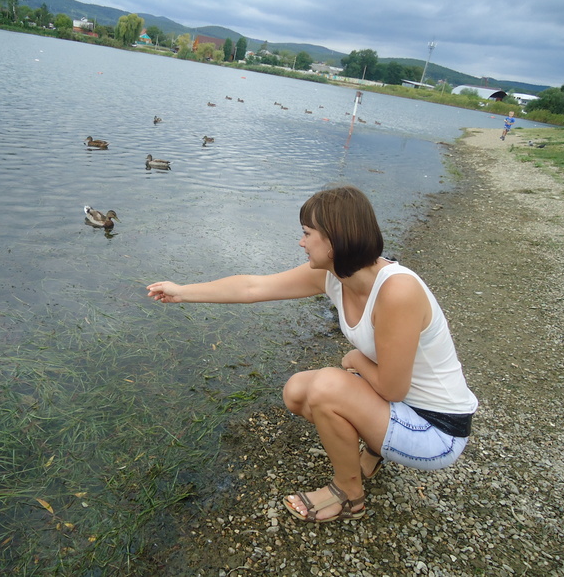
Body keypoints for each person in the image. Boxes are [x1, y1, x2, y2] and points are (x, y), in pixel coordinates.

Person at [147, 185, 478, 523]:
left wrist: (355, 360)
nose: (301, 242)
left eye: (307, 233)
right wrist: (182, 291)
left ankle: (348, 495)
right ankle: (376, 450)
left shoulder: (397, 291)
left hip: (437, 430)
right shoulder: (334, 276)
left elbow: (393, 390)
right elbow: (254, 287)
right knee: (297, 392)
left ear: (334, 238)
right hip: (399, 407)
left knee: (326, 388)